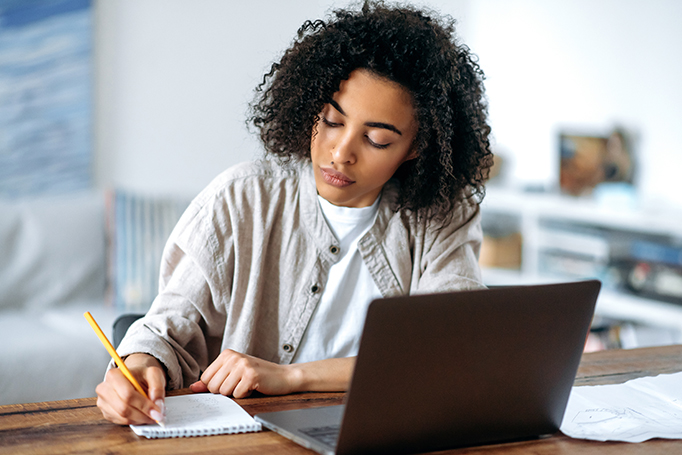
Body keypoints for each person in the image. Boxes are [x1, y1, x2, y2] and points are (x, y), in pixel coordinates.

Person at [96, 0, 493, 426]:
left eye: (376, 139)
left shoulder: (440, 215)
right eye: (331, 120)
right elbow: (164, 332)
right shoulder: (242, 199)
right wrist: (137, 367)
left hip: (385, 432)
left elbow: (450, 352)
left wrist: (293, 377)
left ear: (417, 147)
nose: (341, 153)